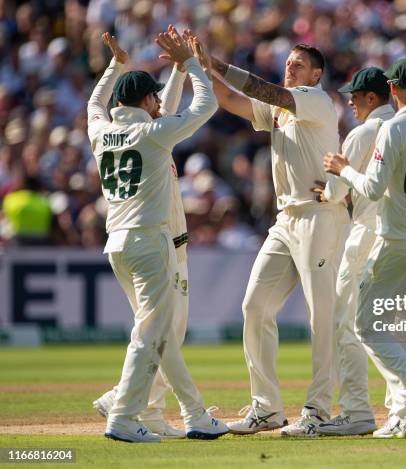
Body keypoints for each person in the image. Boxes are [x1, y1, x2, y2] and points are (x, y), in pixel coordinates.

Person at [204, 36, 349, 436]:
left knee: (321, 316)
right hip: (286, 219)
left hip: (321, 215)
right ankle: (266, 408)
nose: (290, 68)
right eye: (288, 63)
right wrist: (197, 65)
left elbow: (262, 89)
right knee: (255, 306)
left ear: (316, 74)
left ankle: (318, 410)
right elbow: (231, 100)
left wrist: (215, 59)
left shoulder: (317, 100)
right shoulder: (280, 109)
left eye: (298, 65)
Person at [87, 30, 228, 442]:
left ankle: (193, 414)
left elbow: (95, 103)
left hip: (118, 244)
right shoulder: (152, 134)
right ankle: (123, 414)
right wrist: (195, 67)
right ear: (147, 103)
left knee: (159, 334)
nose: (158, 106)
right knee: (151, 334)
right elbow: (207, 105)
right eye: (154, 100)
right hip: (151, 244)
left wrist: (116, 64)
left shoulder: (102, 132)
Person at [324, 57, 406, 438]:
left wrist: (342, 169)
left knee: (365, 326)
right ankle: (404, 414)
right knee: (402, 330)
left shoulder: (393, 127)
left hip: (398, 241)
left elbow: (370, 189)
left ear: (394, 89)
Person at [311, 67, 395, 436]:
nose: (350, 102)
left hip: (366, 233)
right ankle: (402, 405)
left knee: (348, 323)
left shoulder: (363, 134)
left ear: (372, 98)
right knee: (393, 326)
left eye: (356, 96)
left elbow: (335, 191)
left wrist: (328, 188)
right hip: (402, 236)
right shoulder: (405, 127)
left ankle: (357, 411)